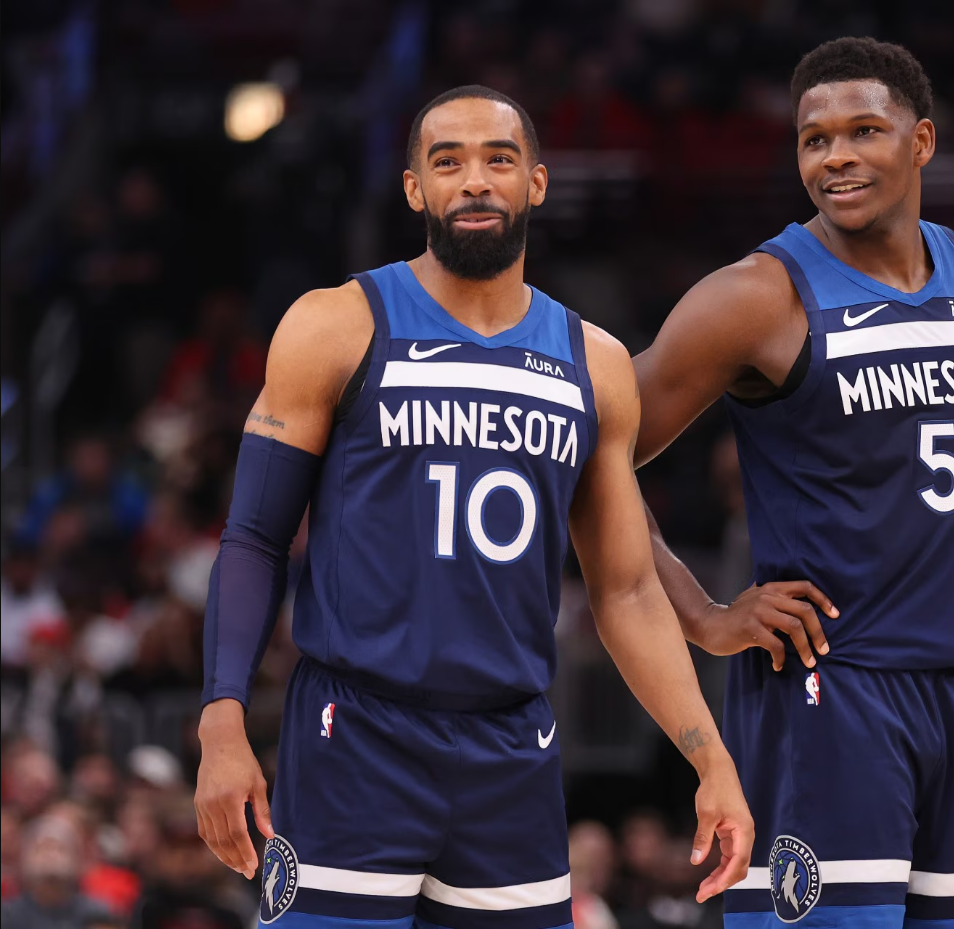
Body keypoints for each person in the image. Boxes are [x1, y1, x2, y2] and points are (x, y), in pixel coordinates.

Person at [193, 85, 752, 928]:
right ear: (415, 188)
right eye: (447, 161)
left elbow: (627, 589)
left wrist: (709, 756)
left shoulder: (595, 363)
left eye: (499, 159)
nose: (475, 180)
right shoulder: (336, 324)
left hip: (510, 749)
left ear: (537, 182)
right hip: (356, 735)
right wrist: (221, 722)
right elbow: (254, 538)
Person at [633, 38, 954, 928]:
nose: (836, 157)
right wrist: (703, 615)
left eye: (864, 131)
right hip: (827, 694)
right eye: (815, 140)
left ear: (921, 141)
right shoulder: (756, 296)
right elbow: (586, 453)